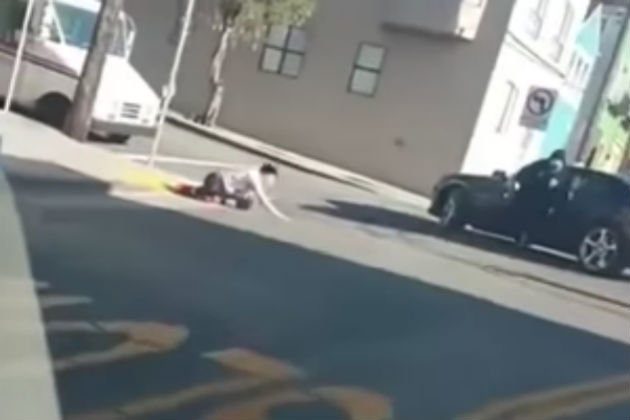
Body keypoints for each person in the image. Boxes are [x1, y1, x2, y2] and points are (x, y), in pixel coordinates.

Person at [195, 163, 290, 221]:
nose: (271, 181)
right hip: (215, 180)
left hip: (225, 190)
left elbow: (259, 199)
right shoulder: (254, 176)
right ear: (266, 174)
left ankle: (217, 198)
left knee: (247, 203)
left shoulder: (258, 179)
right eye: (271, 178)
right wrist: (279, 214)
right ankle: (205, 192)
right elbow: (262, 199)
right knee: (213, 191)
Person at [513, 149, 568, 246]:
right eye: (553, 160)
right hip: (531, 199)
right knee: (525, 219)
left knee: (536, 222)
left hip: (547, 204)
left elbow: (564, 192)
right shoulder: (540, 167)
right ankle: (521, 237)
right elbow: (524, 175)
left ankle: (528, 239)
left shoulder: (564, 175)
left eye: (557, 162)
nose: (554, 164)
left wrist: (556, 187)